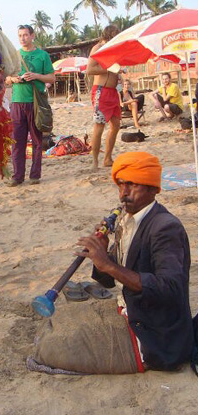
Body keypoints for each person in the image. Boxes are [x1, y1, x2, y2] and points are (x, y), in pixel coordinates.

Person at [76, 151, 194, 372]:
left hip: (155, 337)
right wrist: (103, 256)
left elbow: (169, 288)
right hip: (130, 311)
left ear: (151, 188)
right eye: (120, 185)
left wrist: (109, 265)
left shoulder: (165, 228)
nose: (123, 194)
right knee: (60, 324)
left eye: (131, 185)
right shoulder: (126, 219)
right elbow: (111, 283)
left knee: (59, 346)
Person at [5, 24, 55, 186]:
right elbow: (5, 79)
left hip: (35, 103)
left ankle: (35, 175)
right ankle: (17, 176)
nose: (22, 38)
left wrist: (35, 76)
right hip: (17, 103)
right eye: (20, 35)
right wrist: (14, 79)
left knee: (37, 141)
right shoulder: (13, 55)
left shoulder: (42, 55)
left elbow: (51, 78)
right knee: (17, 141)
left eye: (25, 35)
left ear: (32, 36)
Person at [86, 25, 121, 171]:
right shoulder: (98, 48)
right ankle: (94, 161)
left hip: (112, 92)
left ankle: (107, 158)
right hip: (101, 91)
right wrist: (109, 68)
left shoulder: (114, 49)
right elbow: (89, 70)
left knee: (116, 125)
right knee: (99, 127)